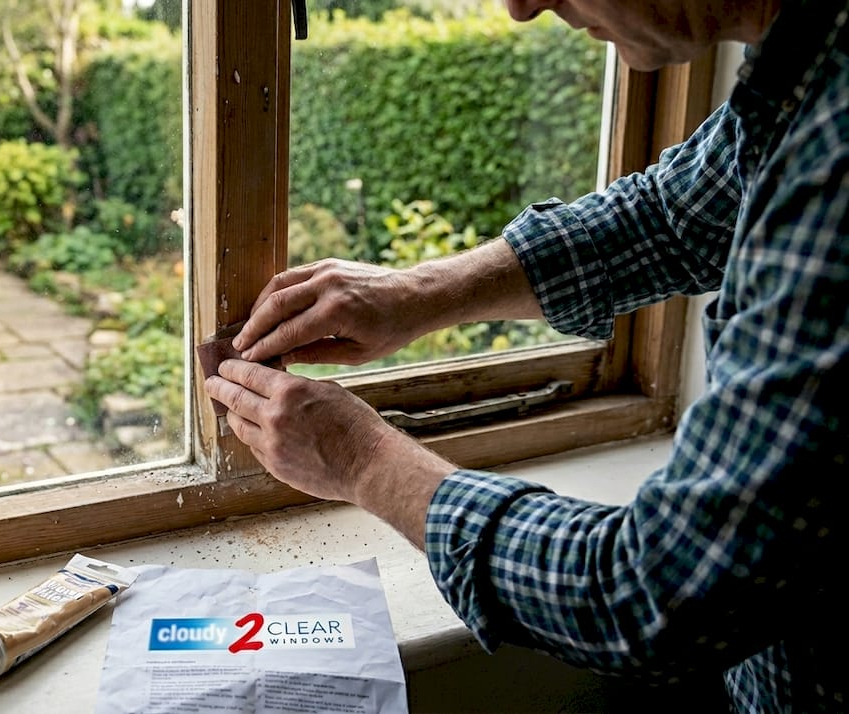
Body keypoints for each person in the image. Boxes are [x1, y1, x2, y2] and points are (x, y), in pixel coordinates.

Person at [203, 0, 846, 711]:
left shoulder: (837, 158)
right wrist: (418, 292)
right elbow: (675, 217)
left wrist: (362, 460)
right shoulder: (805, 73)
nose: (520, 8)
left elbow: (654, 591)